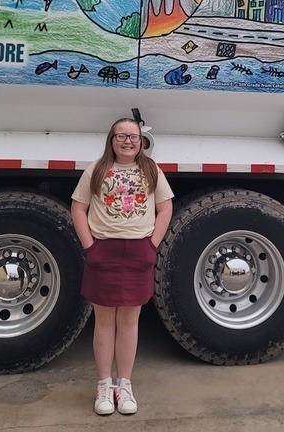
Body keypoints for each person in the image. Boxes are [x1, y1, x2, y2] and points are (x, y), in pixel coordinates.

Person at [71, 117, 174, 416]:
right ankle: (104, 384)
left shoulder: (151, 170)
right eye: (121, 136)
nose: (127, 141)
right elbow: (79, 206)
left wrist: (152, 244)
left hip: (139, 251)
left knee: (129, 321)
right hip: (104, 250)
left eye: (134, 136)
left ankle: (124, 384)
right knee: (104, 321)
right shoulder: (98, 169)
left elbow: (165, 207)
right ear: (111, 140)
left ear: (142, 141)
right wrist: (90, 246)